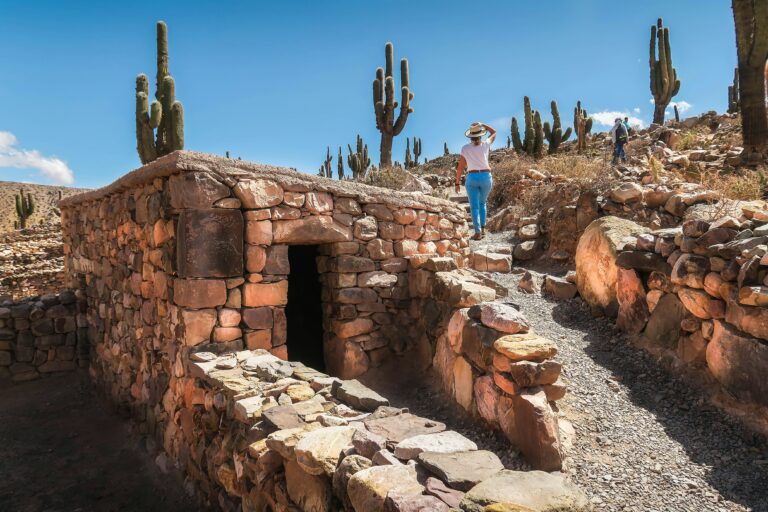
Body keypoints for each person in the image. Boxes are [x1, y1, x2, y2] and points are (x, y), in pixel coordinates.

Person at [455, 122, 496, 240]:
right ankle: (483, 229)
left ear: (470, 136)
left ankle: (477, 232)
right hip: (486, 177)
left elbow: (460, 167)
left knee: (474, 207)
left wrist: (457, 183)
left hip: (472, 178)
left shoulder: (465, 148)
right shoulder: (486, 144)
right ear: (481, 135)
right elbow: (494, 132)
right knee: (482, 204)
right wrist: (483, 124)